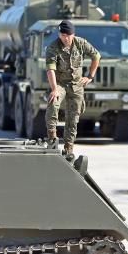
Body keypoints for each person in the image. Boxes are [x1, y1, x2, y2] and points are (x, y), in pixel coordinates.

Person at [44, 19, 100, 158]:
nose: (65, 38)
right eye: (62, 35)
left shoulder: (80, 43)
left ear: (73, 34)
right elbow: (50, 70)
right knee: (53, 102)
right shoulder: (53, 47)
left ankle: (68, 149)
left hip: (76, 85)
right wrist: (54, 89)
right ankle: (52, 138)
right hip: (60, 84)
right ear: (59, 35)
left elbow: (96, 56)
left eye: (68, 36)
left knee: (73, 117)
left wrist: (90, 76)